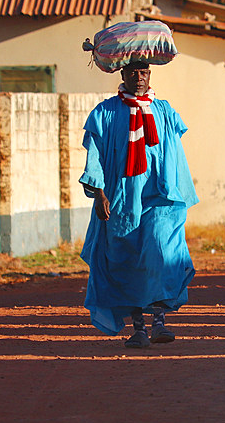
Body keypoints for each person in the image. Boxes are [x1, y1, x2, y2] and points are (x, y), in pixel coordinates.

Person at [79, 61, 198, 347]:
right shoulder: (105, 113)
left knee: (159, 252)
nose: (139, 78)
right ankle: (139, 328)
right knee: (126, 260)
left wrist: (179, 194)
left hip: (161, 199)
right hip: (121, 200)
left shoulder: (164, 111)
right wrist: (99, 193)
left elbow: (176, 155)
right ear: (123, 75)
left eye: (144, 72)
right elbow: (93, 156)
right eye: (133, 72)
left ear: (150, 75)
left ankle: (159, 322)